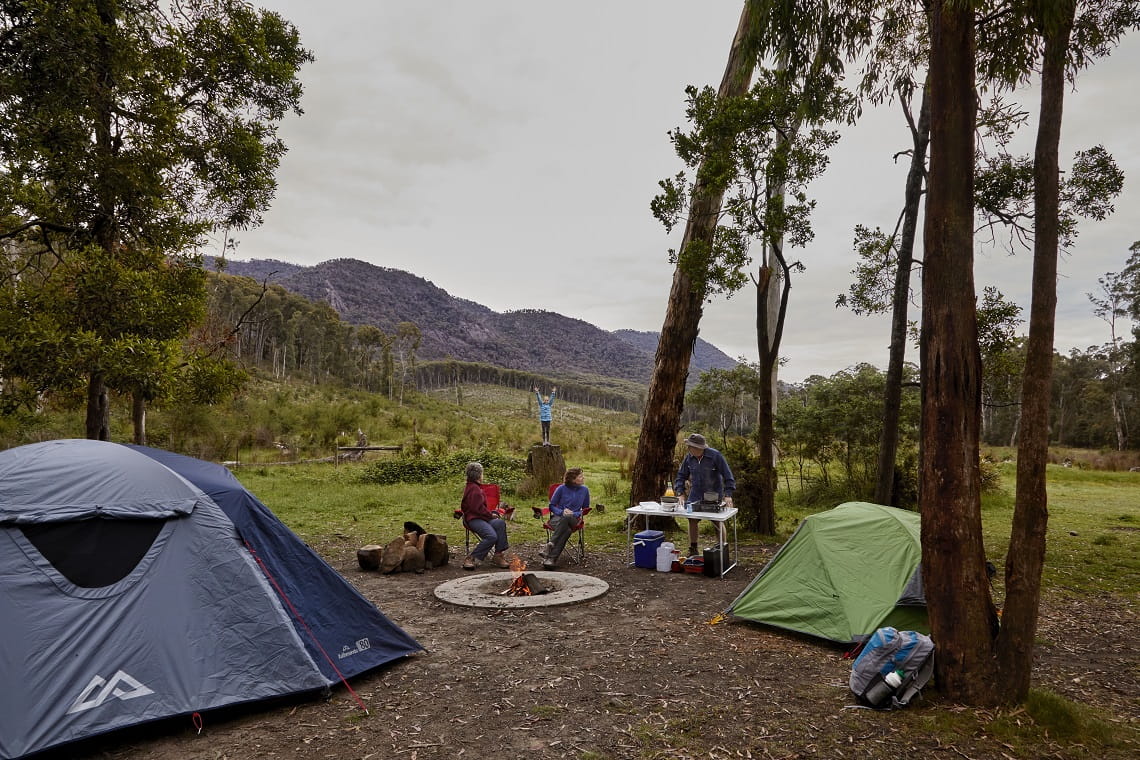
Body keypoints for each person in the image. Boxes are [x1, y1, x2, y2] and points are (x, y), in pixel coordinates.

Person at [673, 433, 735, 558]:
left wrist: (728, 494)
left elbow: (728, 476)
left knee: (717, 521)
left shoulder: (715, 456)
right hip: (695, 494)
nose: (692, 450)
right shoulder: (689, 458)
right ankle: (693, 548)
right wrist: (680, 493)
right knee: (692, 519)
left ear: (702, 448)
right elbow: (681, 476)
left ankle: (722, 548)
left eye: (695, 448)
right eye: (691, 448)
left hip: (713, 495)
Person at [459, 461, 512, 570]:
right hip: (473, 519)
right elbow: (476, 510)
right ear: (479, 475)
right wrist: (490, 515)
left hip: (482, 517)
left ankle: (498, 555)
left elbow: (480, 509)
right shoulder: (474, 489)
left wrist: (491, 514)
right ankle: (471, 558)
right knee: (491, 536)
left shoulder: (475, 487)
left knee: (500, 523)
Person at [540, 467, 589, 570]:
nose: (583, 477)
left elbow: (585, 509)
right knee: (566, 530)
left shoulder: (584, 490)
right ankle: (551, 560)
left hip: (574, 520)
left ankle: (550, 544)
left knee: (567, 517)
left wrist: (574, 513)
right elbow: (552, 506)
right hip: (558, 519)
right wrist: (561, 512)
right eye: (580, 476)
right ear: (572, 479)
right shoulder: (561, 489)